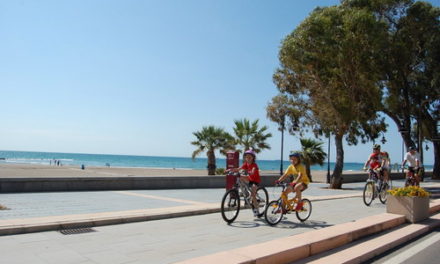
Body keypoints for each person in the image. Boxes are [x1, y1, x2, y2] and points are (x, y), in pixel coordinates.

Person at [230, 149, 261, 216]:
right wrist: (230, 170)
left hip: (255, 181)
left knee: (253, 194)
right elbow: (239, 169)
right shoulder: (246, 164)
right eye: (246, 157)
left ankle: (257, 209)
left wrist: (251, 172)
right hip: (249, 179)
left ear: (253, 158)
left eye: (250, 157)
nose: (248, 158)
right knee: (239, 177)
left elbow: (253, 171)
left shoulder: (254, 165)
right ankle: (243, 190)